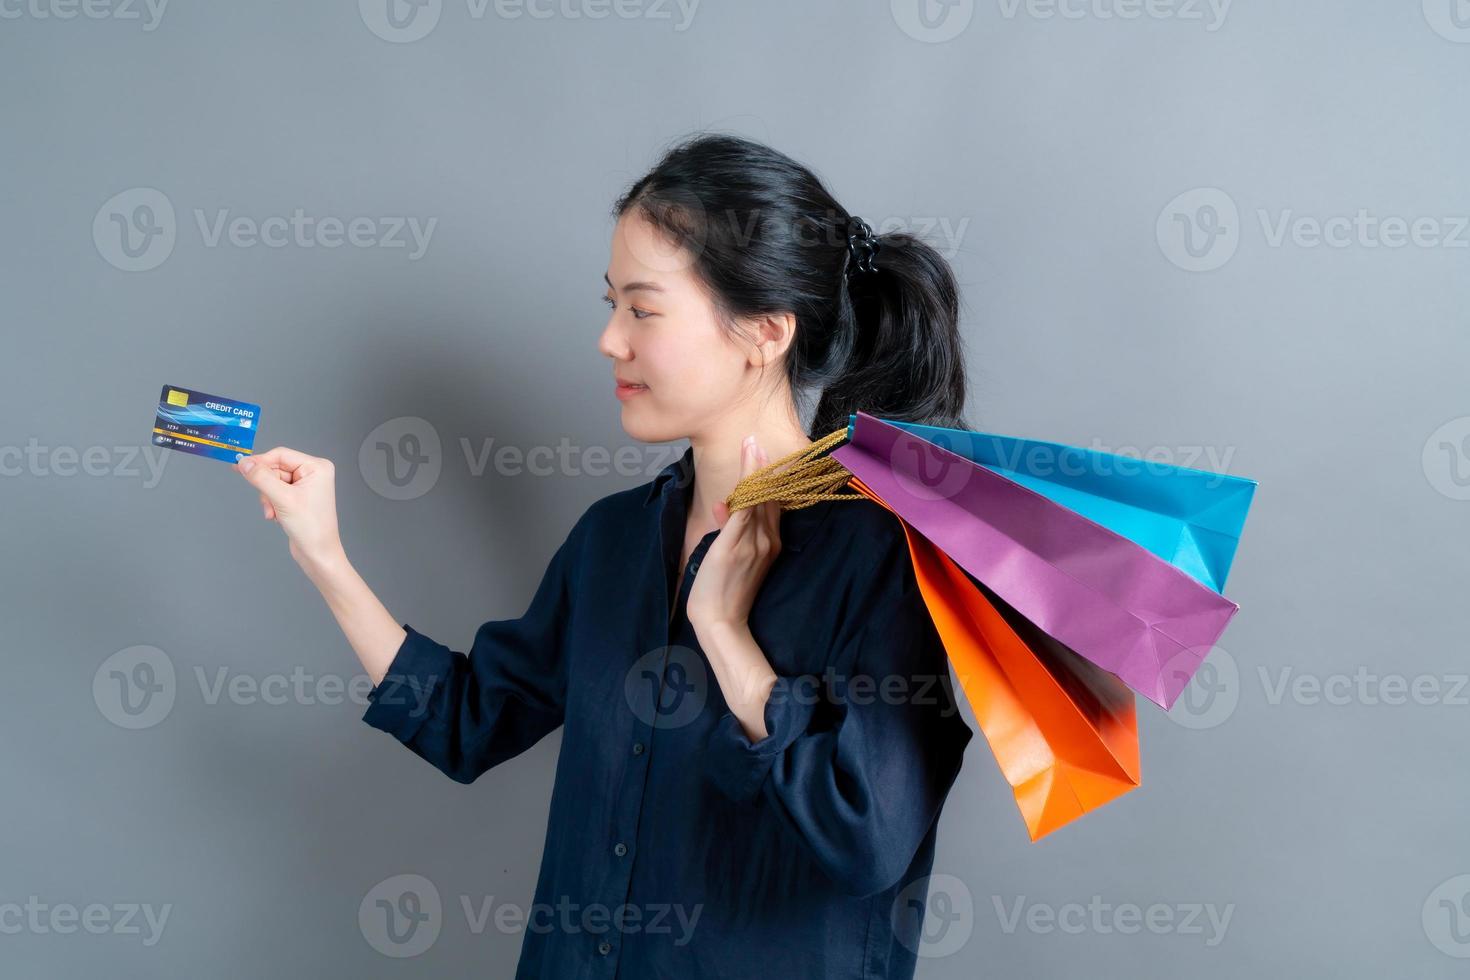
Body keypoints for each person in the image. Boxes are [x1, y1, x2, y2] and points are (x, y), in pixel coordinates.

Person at [236, 132, 976, 979]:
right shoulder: (614, 540)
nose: (609, 340)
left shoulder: (884, 549)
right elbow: (465, 723)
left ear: (764, 332)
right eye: (610, 303)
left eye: (643, 309)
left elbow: (867, 838)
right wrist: (325, 554)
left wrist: (729, 641)